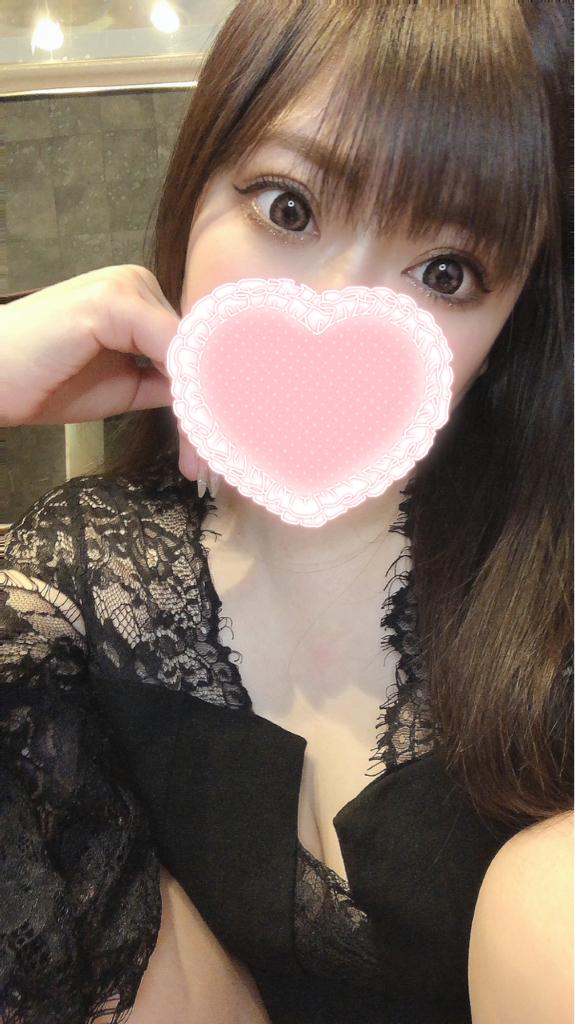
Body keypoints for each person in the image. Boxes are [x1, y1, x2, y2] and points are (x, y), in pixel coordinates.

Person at [1, 2, 573, 1022]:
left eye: (445, 273)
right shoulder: (69, 587)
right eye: (289, 208)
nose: (336, 305)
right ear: (195, 188)